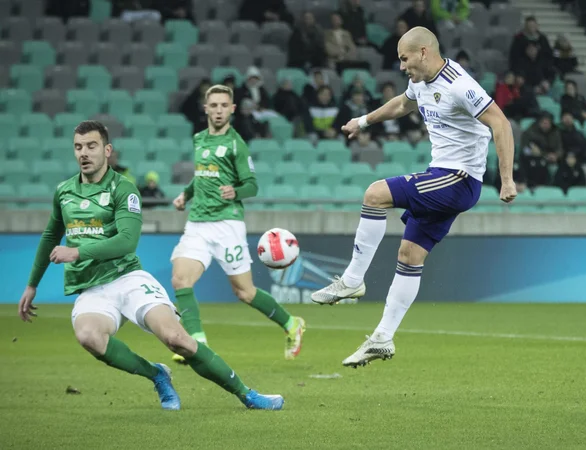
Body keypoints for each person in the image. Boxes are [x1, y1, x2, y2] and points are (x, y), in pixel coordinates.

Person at [17, 120, 284, 411]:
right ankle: (156, 374)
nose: (84, 153)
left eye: (91, 146)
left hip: (128, 279)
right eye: (78, 147)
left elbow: (127, 242)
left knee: (177, 339)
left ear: (107, 150)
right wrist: (32, 284)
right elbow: (49, 237)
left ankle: (247, 395)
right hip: (91, 288)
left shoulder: (124, 189)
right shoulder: (64, 192)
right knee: (89, 337)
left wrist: (77, 252)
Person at [310, 26, 516, 367]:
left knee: (375, 194)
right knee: (409, 254)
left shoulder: (459, 85)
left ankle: (351, 280)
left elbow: (501, 124)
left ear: (424, 52)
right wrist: (363, 121)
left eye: (405, 59)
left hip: (457, 179)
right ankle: (383, 338)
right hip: (443, 177)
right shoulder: (420, 82)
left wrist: (506, 180)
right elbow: (402, 105)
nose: (402, 67)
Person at [170, 85, 306, 364]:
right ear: (205, 109)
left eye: (223, 105)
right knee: (180, 280)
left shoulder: (236, 144)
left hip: (227, 224)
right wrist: (186, 193)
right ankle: (197, 342)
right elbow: (202, 175)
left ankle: (292, 324)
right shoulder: (198, 139)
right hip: (197, 223)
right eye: (213, 105)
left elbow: (252, 185)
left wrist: (236, 191)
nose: (218, 110)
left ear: (231, 110)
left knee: (244, 292)